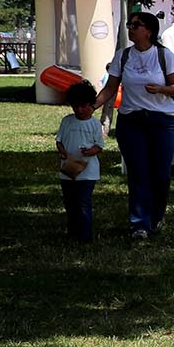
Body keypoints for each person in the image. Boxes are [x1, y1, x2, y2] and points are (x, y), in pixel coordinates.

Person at [96, 12, 174, 240]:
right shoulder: (123, 56)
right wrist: (89, 105)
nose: (131, 28)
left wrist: (162, 90)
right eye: (129, 24)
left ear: (149, 31)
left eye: (136, 25)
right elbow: (110, 89)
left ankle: (156, 216)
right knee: (138, 173)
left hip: (161, 122)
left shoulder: (164, 55)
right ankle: (139, 224)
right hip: (131, 121)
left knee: (161, 174)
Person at [54, 80, 106, 242]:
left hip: (88, 173)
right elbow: (59, 141)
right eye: (75, 106)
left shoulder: (95, 124)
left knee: (83, 203)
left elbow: (99, 146)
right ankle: (72, 232)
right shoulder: (67, 121)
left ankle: (85, 235)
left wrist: (91, 151)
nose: (79, 110)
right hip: (68, 170)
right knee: (70, 204)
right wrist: (62, 152)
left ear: (91, 105)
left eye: (83, 106)